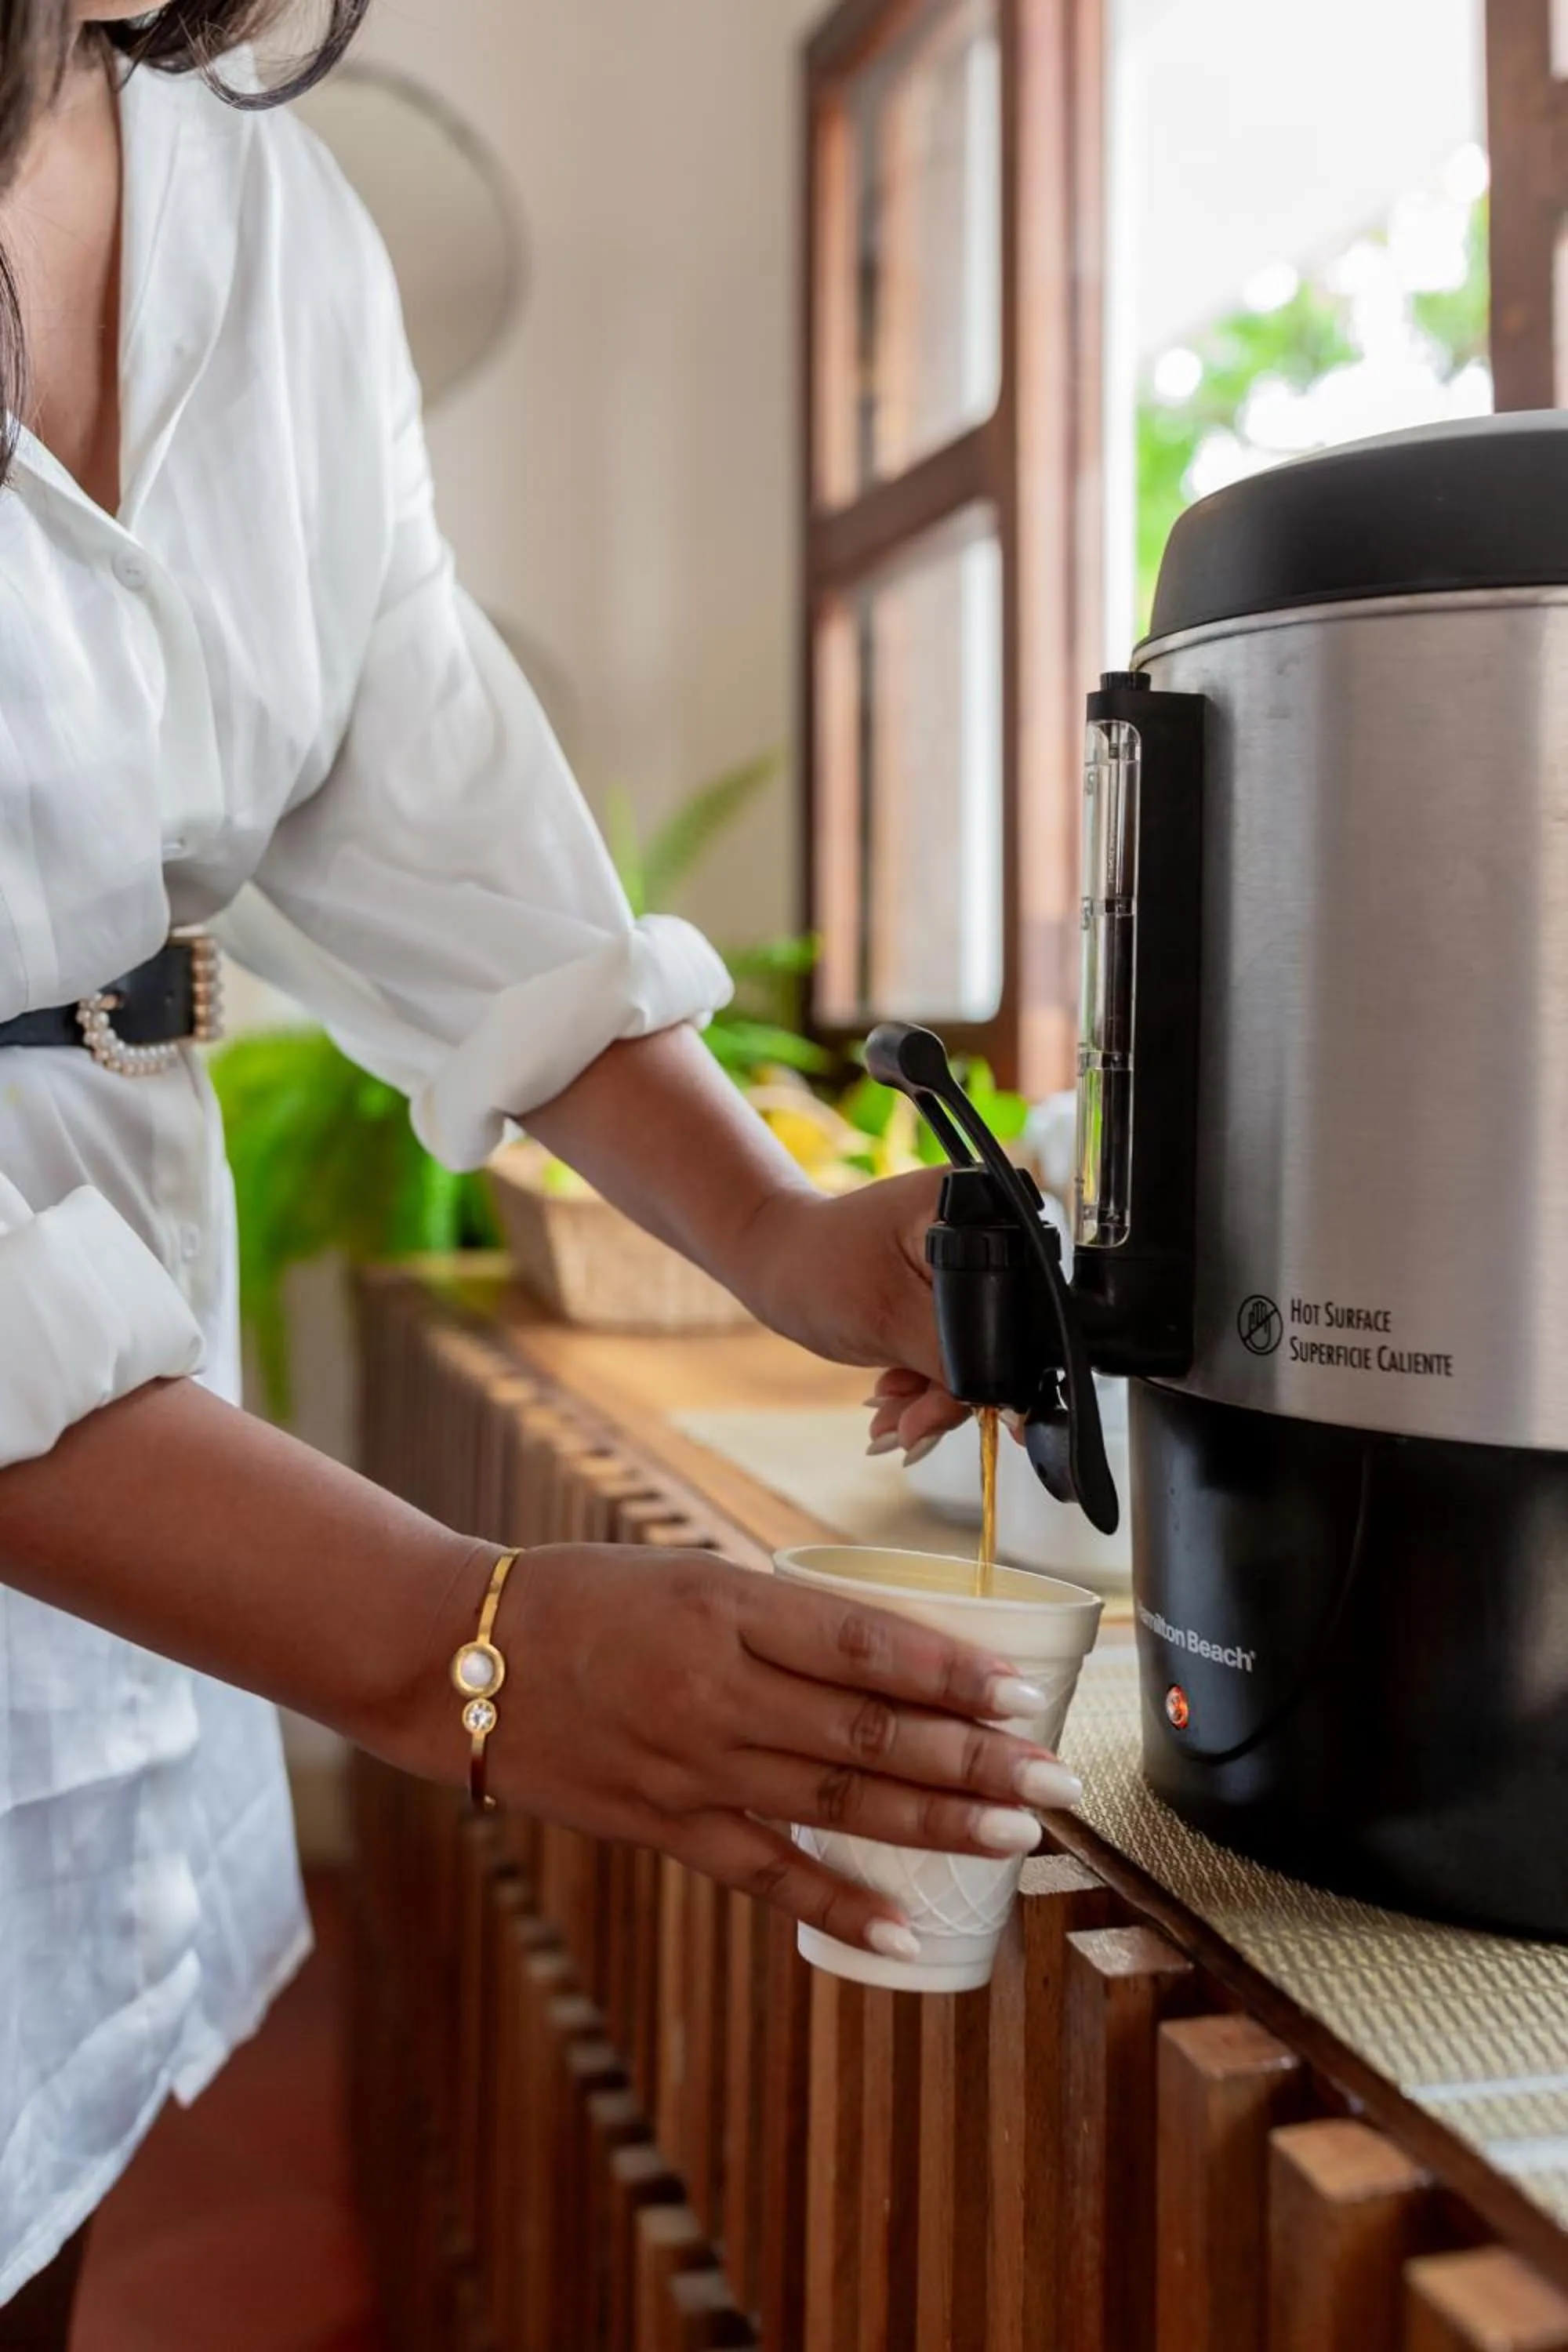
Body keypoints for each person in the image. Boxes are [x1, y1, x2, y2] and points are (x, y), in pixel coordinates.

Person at [0, 2, 1084, 2333]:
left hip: (121, 1410)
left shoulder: (254, 206)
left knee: (39, 2148)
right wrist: (446, 1643)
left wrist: (793, 1231)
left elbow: (423, 770)